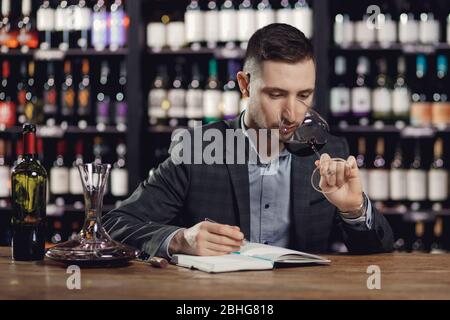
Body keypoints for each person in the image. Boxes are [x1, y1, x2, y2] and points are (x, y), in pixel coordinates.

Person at [102, 23, 393, 259]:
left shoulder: (330, 152)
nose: (292, 113)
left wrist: (353, 210)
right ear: (244, 85)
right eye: (276, 95)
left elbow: (379, 252)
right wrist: (179, 239)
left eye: (304, 95)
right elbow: (114, 226)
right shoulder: (198, 150)